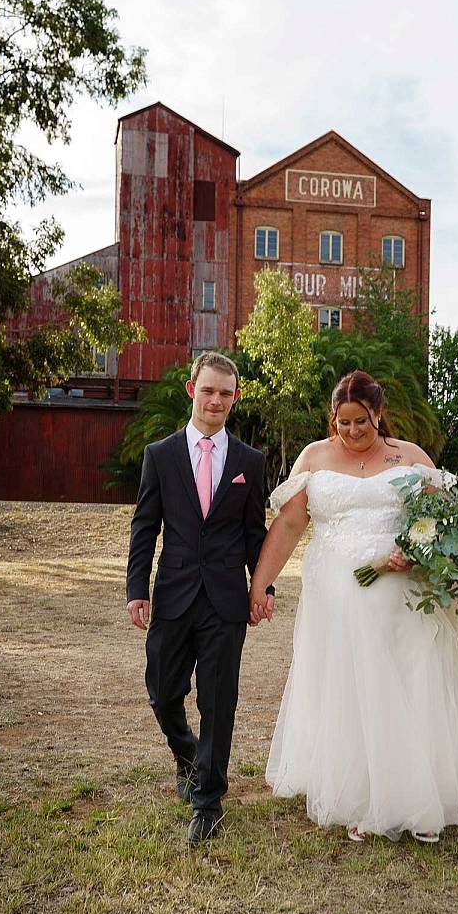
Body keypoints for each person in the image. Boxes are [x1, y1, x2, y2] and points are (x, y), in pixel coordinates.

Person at [249, 370, 458, 844]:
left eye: (361, 421)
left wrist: (419, 554)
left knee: (411, 683)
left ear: (378, 414)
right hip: (336, 594)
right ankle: (363, 797)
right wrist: (260, 585)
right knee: (355, 689)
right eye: (344, 422)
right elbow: (290, 525)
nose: (353, 431)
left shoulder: (410, 458)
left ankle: (419, 803)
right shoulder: (313, 457)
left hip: (404, 592)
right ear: (332, 419)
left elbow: (446, 522)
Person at [126, 352, 273, 846]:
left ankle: (208, 800)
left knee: (217, 701)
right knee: (163, 692)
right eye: (208, 390)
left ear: (236, 398)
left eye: (226, 393)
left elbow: (256, 534)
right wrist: (136, 589)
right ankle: (187, 755)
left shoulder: (249, 462)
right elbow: (145, 526)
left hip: (226, 601)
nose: (216, 400)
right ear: (192, 390)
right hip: (173, 595)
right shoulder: (160, 455)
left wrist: (263, 586)